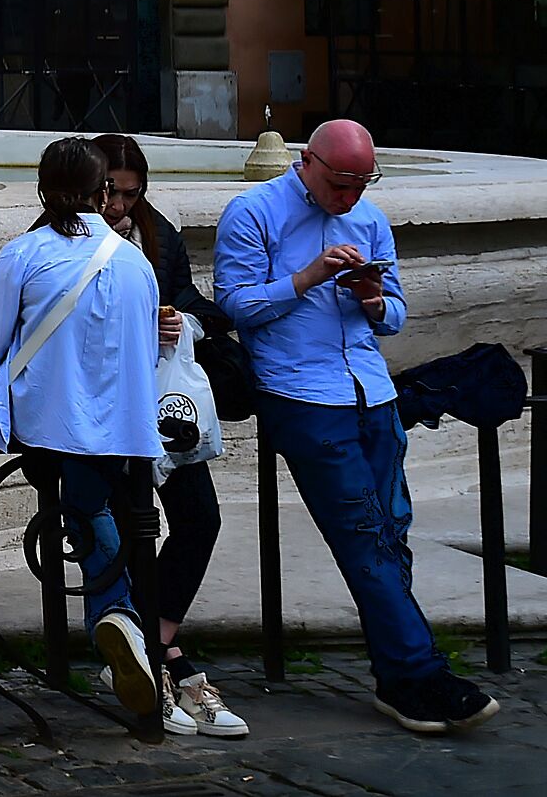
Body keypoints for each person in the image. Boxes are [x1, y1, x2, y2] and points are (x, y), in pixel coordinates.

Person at [213, 119, 499, 735]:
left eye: (361, 185)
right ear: (306, 162)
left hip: (371, 390)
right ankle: (420, 674)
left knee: (392, 530)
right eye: (340, 184)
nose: (349, 197)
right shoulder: (254, 212)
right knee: (364, 534)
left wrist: (374, 299)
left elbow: (394, 315)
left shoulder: (369, 219)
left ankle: (396, 677)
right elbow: (234, 305)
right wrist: (307, 278)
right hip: (300, 392)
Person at [0, 137, 163, 720]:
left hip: (48, 421)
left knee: (86, 511)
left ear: (43, 190)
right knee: (93, 507)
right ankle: (124, 623)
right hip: (123, 426)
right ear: (102, 191)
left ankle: (119, 615)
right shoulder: (135, 262)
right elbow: (146, 349)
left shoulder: (24, 253)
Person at [90, 133, 250, 739]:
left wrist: (185, 322)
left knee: (199, 518)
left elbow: (198, 305)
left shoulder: (158, 234)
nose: (118, 205)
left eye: (130, 194)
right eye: (109, 191)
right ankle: (168, 664)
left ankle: (155, 648)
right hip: (100, 415)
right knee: (123, 530)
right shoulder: (62, 236)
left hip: (161, 406)